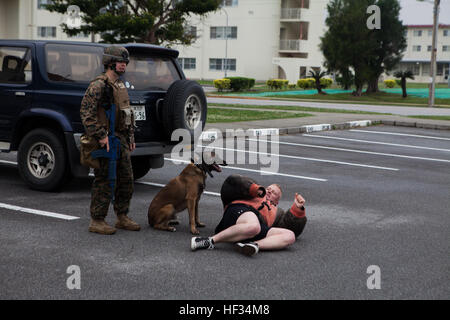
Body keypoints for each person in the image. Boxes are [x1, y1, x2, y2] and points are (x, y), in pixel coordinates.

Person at [80, 45, 140, 235]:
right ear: (110, 62)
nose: (123, 65)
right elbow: (86, 114)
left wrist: (130, 136)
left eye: (125, 62)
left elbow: (126, 113)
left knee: (127, 179)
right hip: (105, 139)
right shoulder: (98, 85)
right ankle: (97, 220)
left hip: (120, 138)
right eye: (120, 62)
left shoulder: (120, 85)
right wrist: (101, 135)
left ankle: (122, 216)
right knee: (104, 179)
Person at [191, 175, 307, 256]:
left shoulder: (277, 211)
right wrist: (253, 189)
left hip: (258, 226)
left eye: (274, 192)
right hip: (240, 211)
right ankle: (209, 241)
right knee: (253, 226)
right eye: (269, 189)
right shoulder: (255, 194)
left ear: (277, 201)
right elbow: (233, 181)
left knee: (290, 236)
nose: (269, 191)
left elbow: (290, 227)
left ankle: (251, 245)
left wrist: (298, 209)